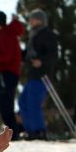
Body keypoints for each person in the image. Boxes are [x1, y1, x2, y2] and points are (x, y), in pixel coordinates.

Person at [17, 9, 58, 140]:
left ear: (39, 20)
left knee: (33, 102)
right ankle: (30, 130)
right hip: (32, 74)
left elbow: (52, 53)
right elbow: (27, 54)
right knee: (23, 101)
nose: (30, 21)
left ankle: (39, 130)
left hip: (42, 75)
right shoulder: (34, 35)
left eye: (32, 19)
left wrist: (41, 61)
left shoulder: (47, 34)